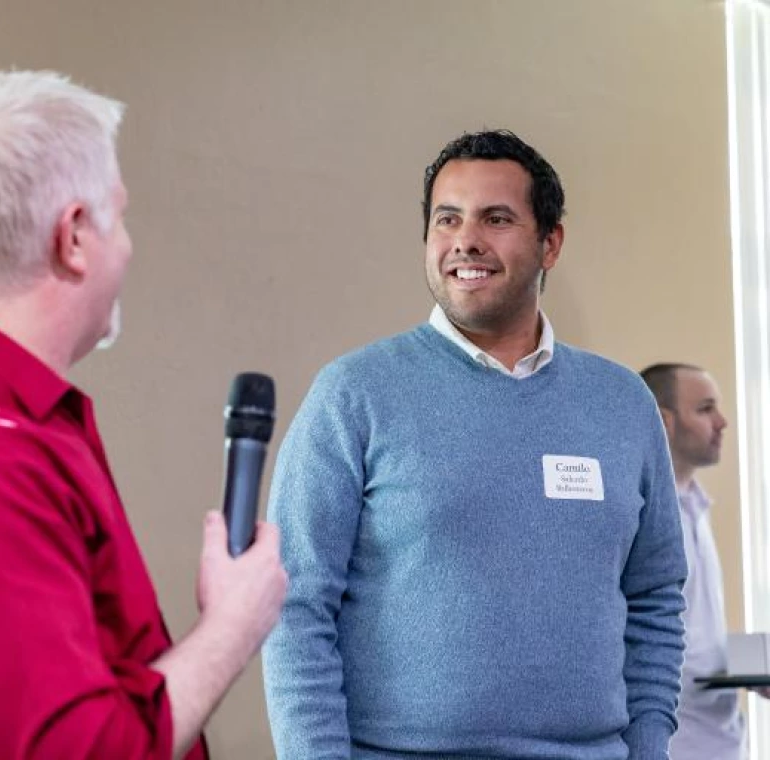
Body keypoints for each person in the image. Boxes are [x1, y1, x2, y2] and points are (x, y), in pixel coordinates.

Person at [0, 70, 287, 759]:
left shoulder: (9, 421)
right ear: (73, 236)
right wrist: (233, 625)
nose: (127, 246)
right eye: (119, 216)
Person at [262, 129, 687, 759]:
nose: (466, 240)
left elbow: (654, 596)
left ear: (551, 243)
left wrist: (649, 748)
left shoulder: (622, 404)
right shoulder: (355, 394)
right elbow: (294, 605)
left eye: (496, 218)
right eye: (447, 218)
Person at [641, 363, 753, 759]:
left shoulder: (696, 506)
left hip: (722, 739)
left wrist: (755, 665)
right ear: (663, 420)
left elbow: (698, 633)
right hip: (676, 743)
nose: (722, 422)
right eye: (705, 409)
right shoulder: (645, 516)